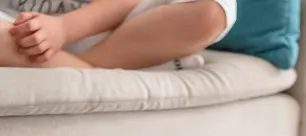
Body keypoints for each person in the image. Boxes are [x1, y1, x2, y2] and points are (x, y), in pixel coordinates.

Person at [0, 0, 236, 70]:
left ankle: (88, 67)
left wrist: (63, 28)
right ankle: (86, 70)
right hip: (17, 32)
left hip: (120, 35)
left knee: (214, 11)